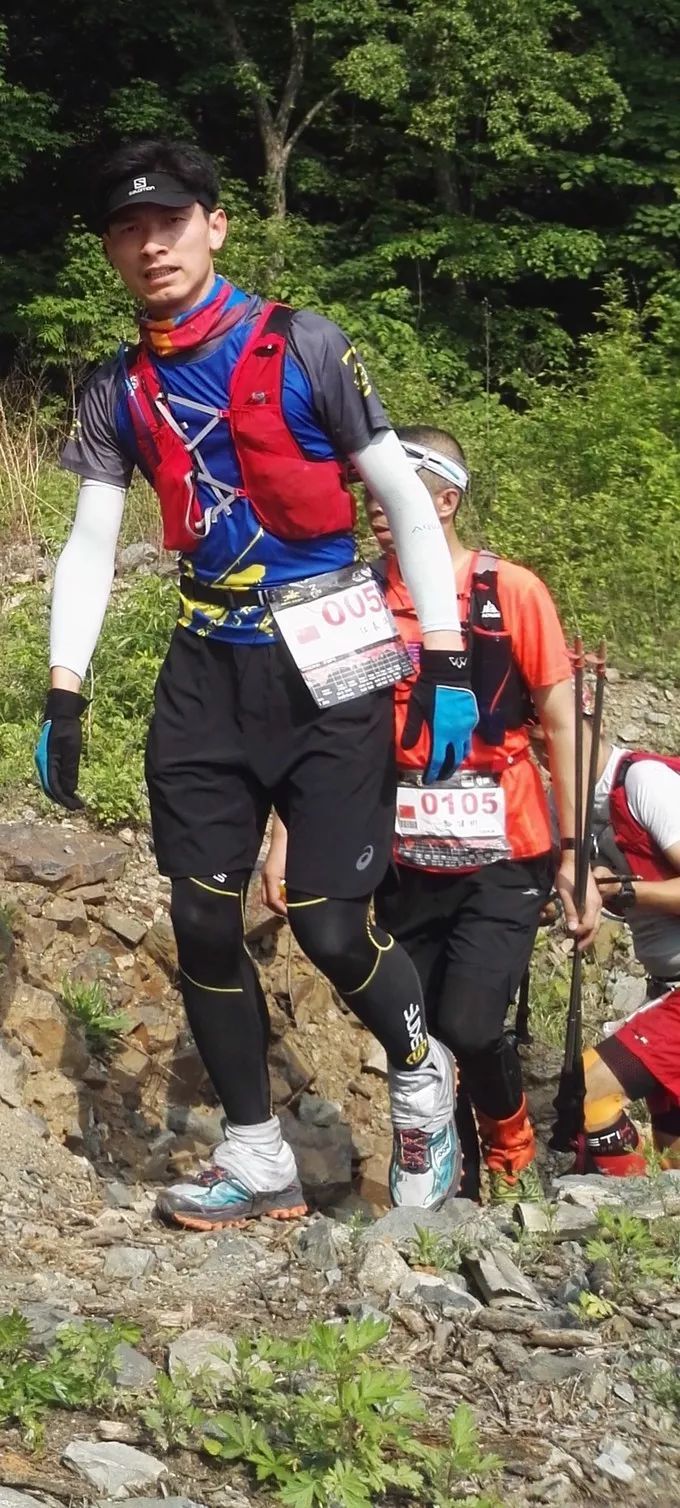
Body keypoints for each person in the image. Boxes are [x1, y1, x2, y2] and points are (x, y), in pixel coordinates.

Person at [36, 140, 480, 1228]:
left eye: (171, 222)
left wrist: (446, 656)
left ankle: (420, 1075)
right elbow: (92, 541)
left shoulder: (307, 344)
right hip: (207, 663)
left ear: (215, 225)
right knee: (200, 914)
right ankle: (255, 1152)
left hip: (332, 655)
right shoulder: (117, 386)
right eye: (129, 230)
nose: (152, 245)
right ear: (110, 251)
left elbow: (402, 498)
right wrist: (64, 688)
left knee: (329, 922)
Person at [264, 425, 601, 1203]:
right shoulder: (356, 598)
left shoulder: (512, 592)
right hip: (399, 846)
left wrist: (576, 855)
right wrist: (284, 838)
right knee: (417, 1027)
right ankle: (450, 1176)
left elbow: (562, 723)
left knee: (474, 1023)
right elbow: (322, 732)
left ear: (445, 501)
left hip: (504, 842)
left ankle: (511, 1147)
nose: (376, 506)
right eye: (371, 492)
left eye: (398, 490)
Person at [576, 733, 680, 1174]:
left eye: (548, 736)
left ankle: (625, 1206)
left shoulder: (644, 782)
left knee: (586, 1091)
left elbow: (630, 891)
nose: (544, 755)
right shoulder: (571, 807)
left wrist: (624, 891)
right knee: (675, 1159)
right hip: (664, 988)